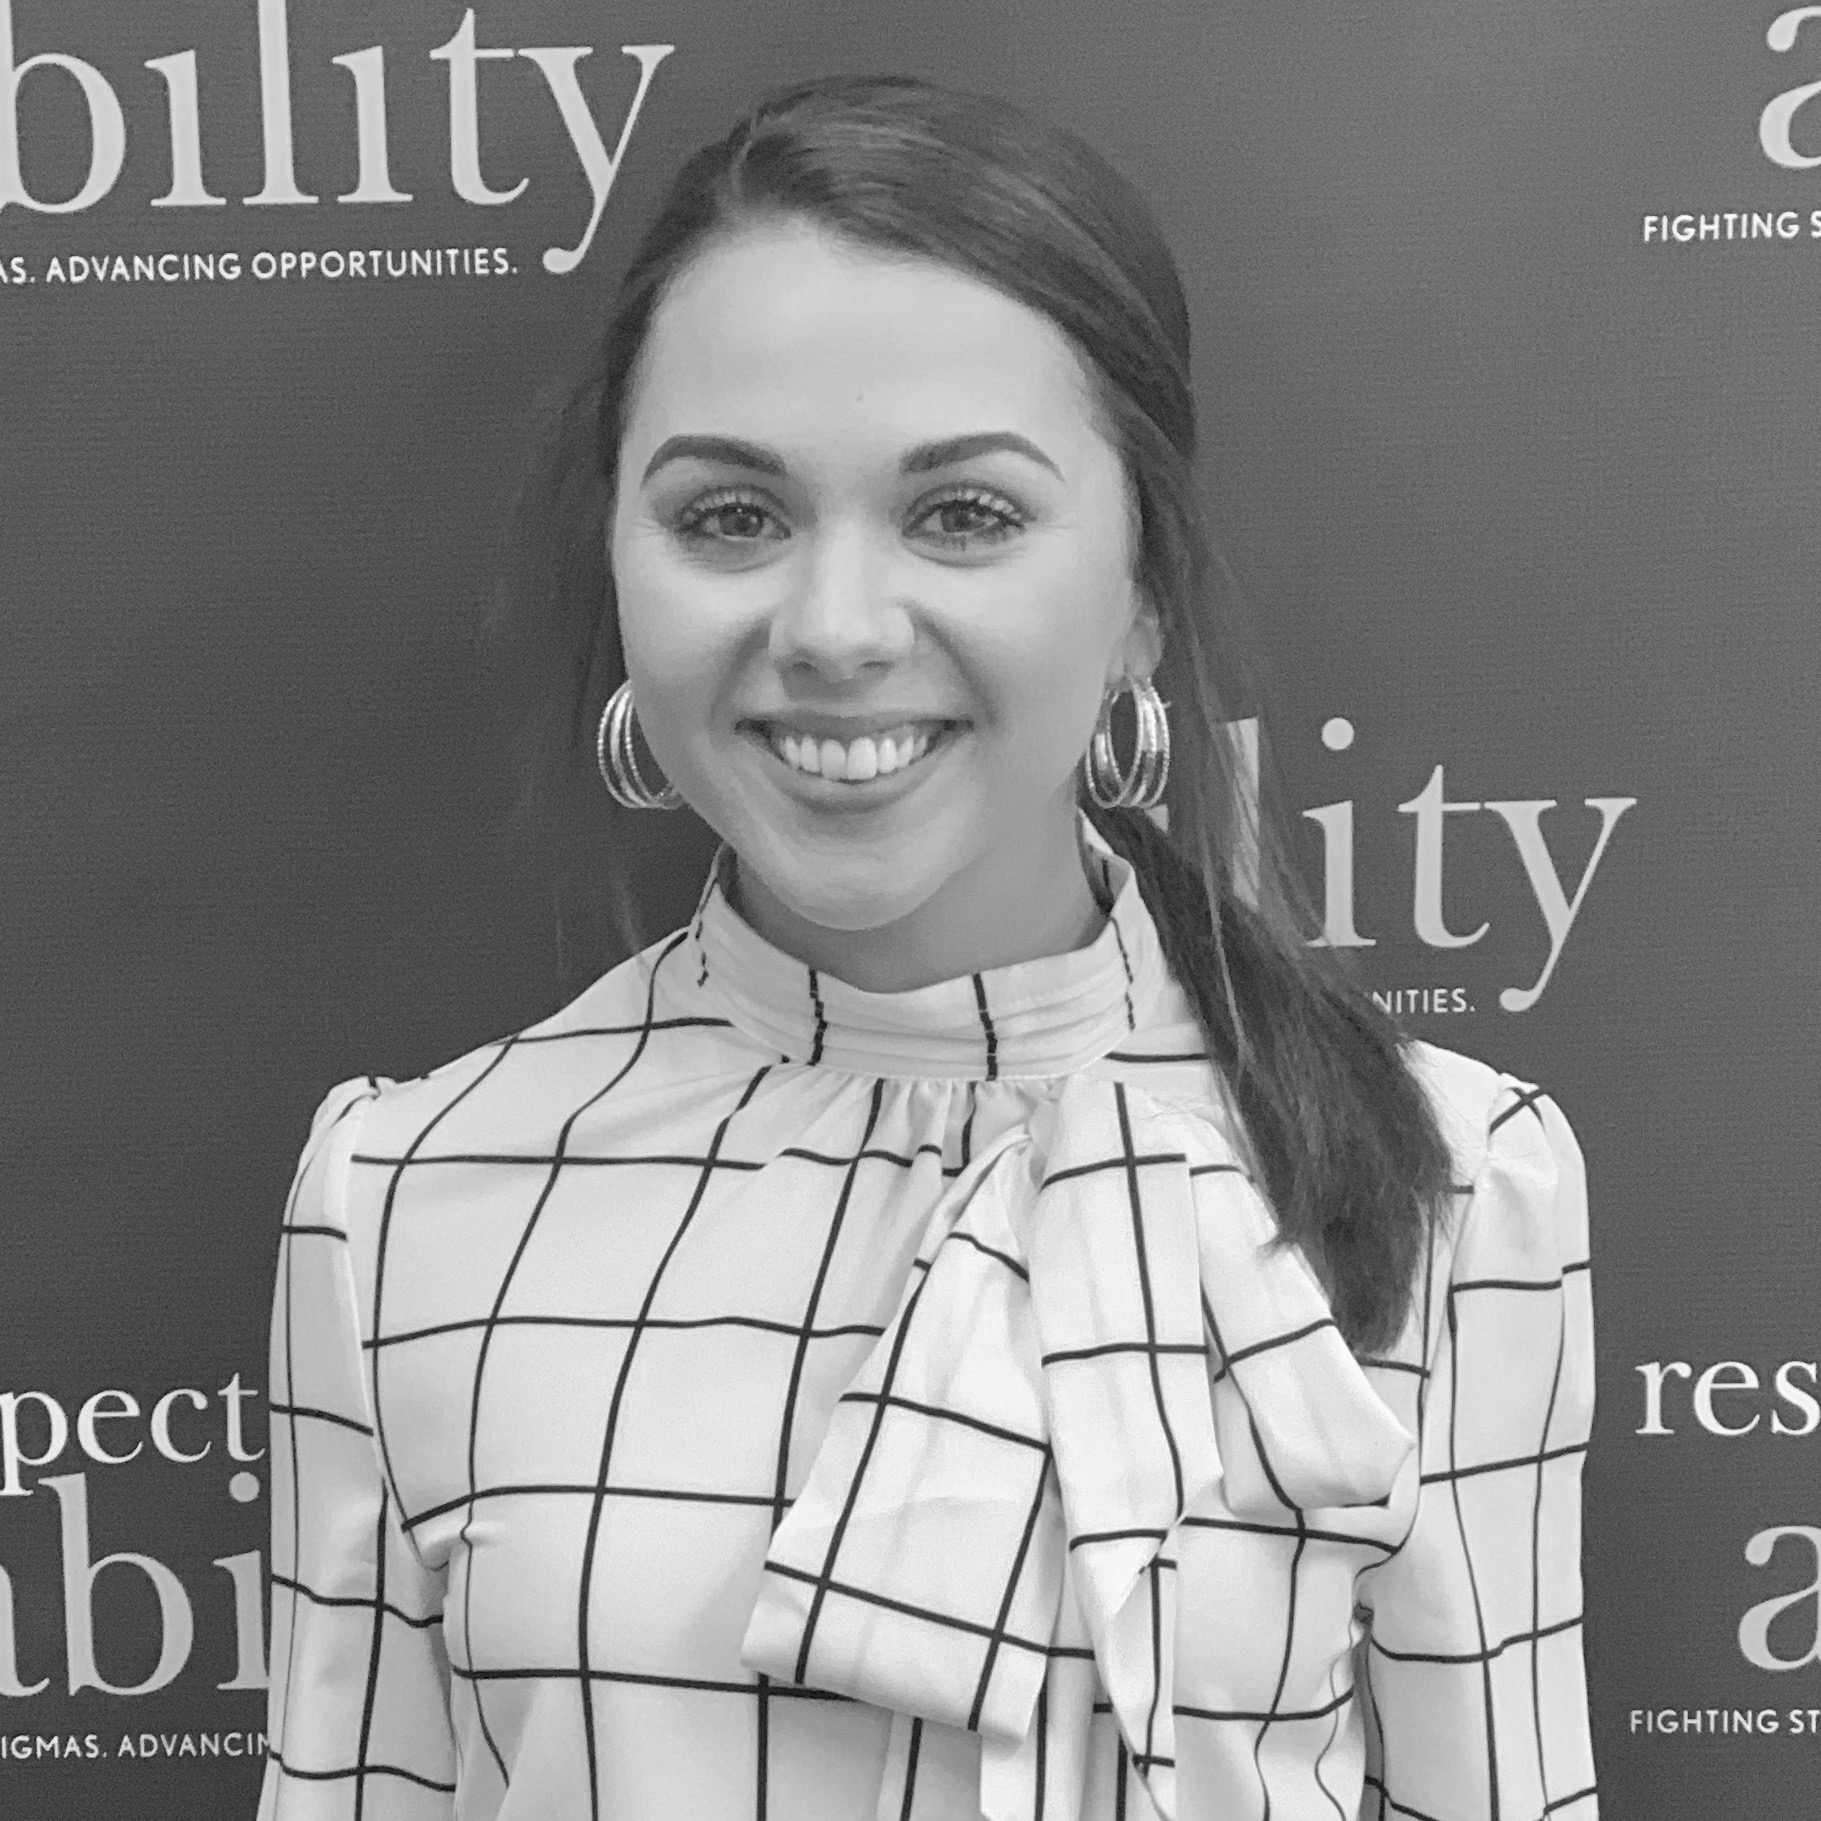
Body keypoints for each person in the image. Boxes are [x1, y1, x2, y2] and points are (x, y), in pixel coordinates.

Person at [257, 73, 1597, 1821]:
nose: (831, 629)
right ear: (621, 562)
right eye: (729, 515)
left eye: (962, 513)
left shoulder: (1455, 1180)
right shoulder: (404, 1199)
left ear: (1141, 592)